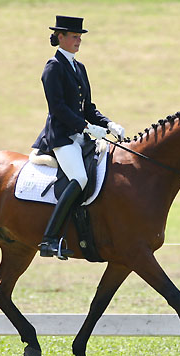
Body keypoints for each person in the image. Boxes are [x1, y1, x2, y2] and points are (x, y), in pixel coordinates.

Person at [32, 15, 125, 259]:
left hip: (81, 136)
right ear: (60, 37)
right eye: (74, 36)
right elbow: (58, 109)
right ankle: (49, 239)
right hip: (61, 137)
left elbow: (89, 107)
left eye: (80, 37)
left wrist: (108, 124)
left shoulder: (79, 67)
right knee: (80, 178)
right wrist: (86, 127)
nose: (78, 40)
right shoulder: (53, 67)